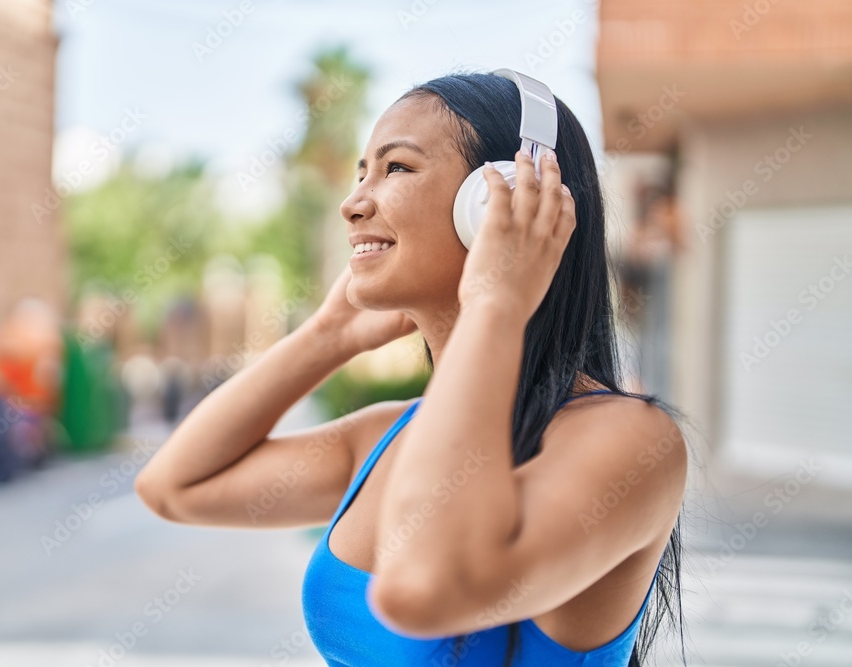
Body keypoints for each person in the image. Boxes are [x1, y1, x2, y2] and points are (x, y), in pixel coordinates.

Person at [135, 70, 690, 666]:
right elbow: (174, 487)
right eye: (360, 173)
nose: (353, 203)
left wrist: (496, 301)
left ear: (499, 196)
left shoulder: (632, 442)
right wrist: (327, 337)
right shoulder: (386, 438)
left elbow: (425, 588)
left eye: (396, 168)